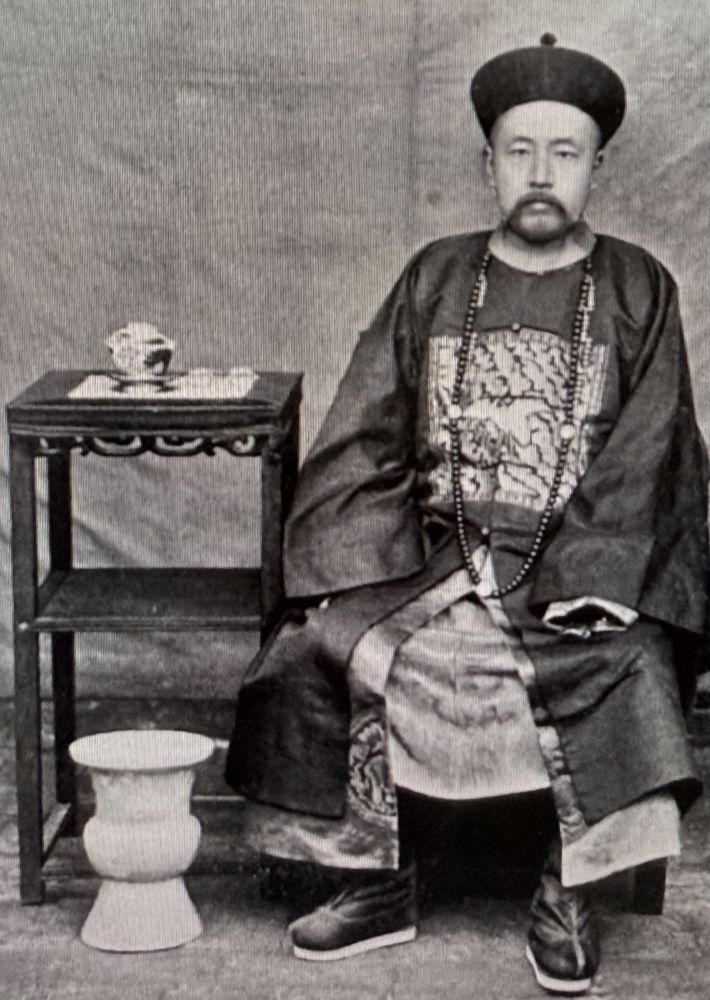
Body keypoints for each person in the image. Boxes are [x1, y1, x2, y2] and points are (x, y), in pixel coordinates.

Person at [225, 35, 709, 995]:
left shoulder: (638, 287)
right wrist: (363, 560)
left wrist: (594, 576)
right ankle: (379, 876)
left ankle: (570, 887)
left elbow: (652, 452)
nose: (541, 174)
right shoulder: (436, 276)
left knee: (625, 664)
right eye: (519, 152)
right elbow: (366, 430)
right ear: (488, 163)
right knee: (330, 645)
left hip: (576, 559)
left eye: (564, 153)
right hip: (433, 553)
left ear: (597, 167)